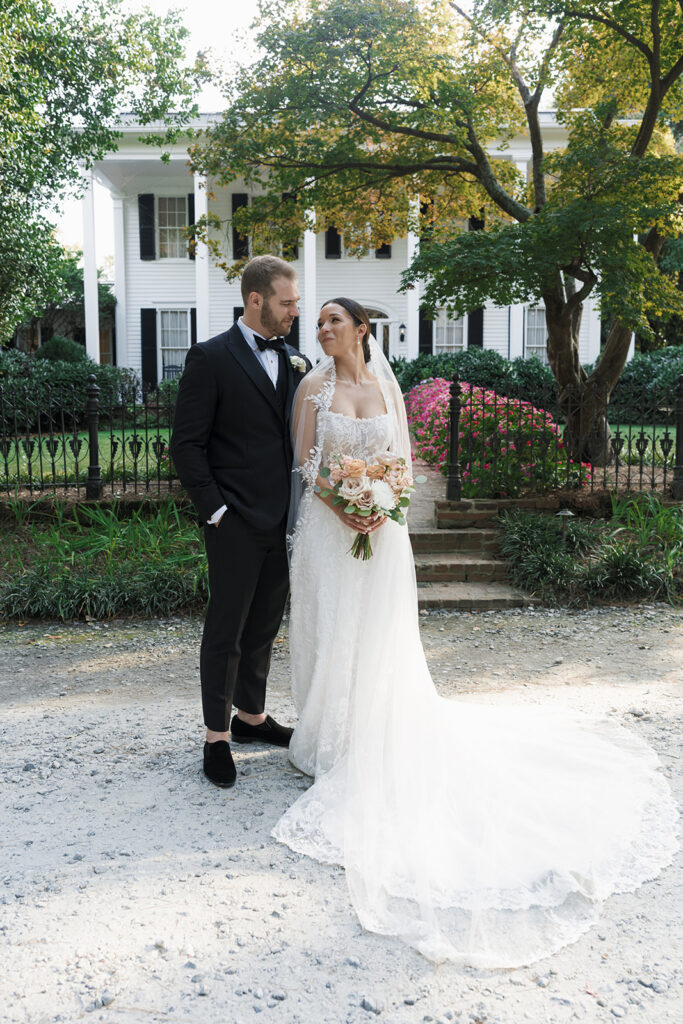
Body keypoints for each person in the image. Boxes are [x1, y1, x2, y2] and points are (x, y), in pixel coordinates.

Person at [272, 297, 678, 967]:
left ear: (361, 330)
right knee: (330, 627)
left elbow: (401, 463)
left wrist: (382, 503)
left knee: (376, 634)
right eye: (318, 322)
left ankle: (374, 728)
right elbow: (305, 465)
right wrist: (345, 505)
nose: (322, 330)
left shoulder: (386, 387)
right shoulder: (313, 387)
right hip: (326, 532)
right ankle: (326, 736)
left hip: (383, 534)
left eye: (333, 321)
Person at [171, 255, 311, 789]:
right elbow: (186, 445)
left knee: (264, 627)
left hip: (283, 521)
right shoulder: (210, 357)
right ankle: (216, 736)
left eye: (296, 302)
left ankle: (251, 718)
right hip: (233, 522)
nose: (295, 311)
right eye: (286, 302)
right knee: (225, 631)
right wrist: (216, 511)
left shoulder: (295, 359)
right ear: (256, 300)